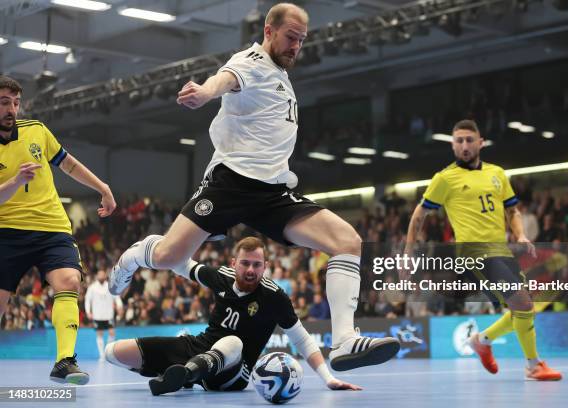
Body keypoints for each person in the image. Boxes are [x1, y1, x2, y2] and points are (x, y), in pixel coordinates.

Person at [109, 2, 399, 370]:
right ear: (269, 31)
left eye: (302, 40)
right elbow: (225, 79)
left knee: (347, 242)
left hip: (273, 191)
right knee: (169, 256)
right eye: (291, 37)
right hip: (231, 183)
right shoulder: (251, 61)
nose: (296, 46)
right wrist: (205, 92)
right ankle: (136, 254)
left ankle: (343, 342)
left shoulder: (281, 74)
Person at [404, 119, 562, 381]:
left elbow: (512, 209)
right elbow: (419, 215)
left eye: (469, 140)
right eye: (459, 141)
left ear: (481, 142)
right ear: (453, 146)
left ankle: (482, 340)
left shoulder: (497, 173)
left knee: (524, 309)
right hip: (474, 254)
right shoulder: (444, 179)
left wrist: (520, 233)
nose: (464, 145)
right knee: (522, 303)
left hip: (502, 251)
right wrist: (408, 252)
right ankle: (534, 366)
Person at [105, 237, 362, 395]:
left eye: (257, 265)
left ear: (265, 267)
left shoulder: (274, 297)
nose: (251, 270)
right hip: (198, 349)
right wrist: (159, 247)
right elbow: (182, 265)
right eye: (245, 263)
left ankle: (186, 376)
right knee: (113, 352)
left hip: (234, 373)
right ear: (233, 263)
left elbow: (303, 340)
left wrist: (329, 379)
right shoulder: (221, 278)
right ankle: (182, 374)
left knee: (233, 342)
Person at [0, 75, 116, 384]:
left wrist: (102, 187)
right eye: (4, 103)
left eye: (15, 102)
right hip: (6, 231)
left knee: (69, 280)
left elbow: (68, 164)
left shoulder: (36, 131)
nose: (11, 109)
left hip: (51, 227)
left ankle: (64, 361)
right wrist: (14, 182)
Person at [84, 269, 123, 360]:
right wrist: (88, 312)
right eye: (99, 274)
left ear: (105, 276)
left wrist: (120, 306)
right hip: (97, 315)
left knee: (112, 333)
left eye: (103, 274)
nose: (101, 276)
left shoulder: (110, 287)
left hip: (109, 314)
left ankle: (108, 353)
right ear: (97, 276)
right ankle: (102, 355)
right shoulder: (92, 287)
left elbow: (116, 297)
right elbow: (87, 300)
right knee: (99, 334)